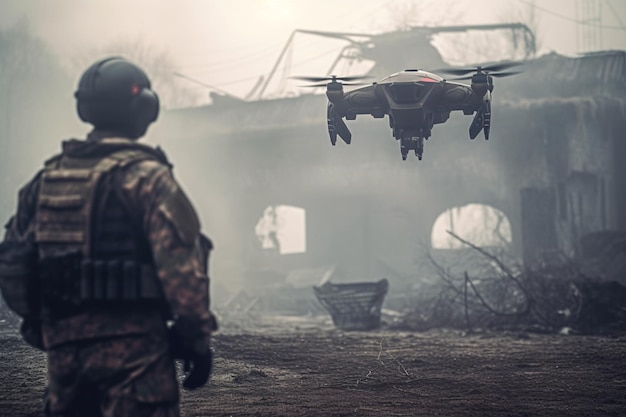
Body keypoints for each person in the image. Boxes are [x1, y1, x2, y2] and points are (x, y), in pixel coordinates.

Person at [0, 56, 217, 417]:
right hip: (137, 355)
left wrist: (45, 324)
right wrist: (196, 339)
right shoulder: (148, 179)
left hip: (65, 357)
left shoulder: (45, 181)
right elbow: (181, 272)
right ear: (143, 109)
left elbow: (11, 264)